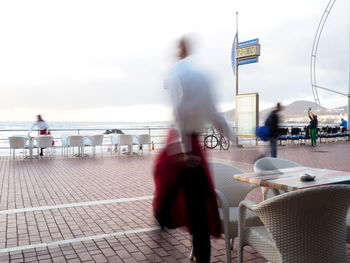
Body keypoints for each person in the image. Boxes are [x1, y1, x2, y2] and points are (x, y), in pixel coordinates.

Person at [152, 37, 237, 263]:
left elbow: (178, 110)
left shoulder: (177, 73)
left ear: (181, 50)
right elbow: (215, 114)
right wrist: (234, 138)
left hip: (182, 142)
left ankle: (162, 216)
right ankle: (198, 251)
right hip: (191, 145)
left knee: (170, 184)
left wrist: (183, 148)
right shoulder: (203, 77)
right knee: (196, 201)